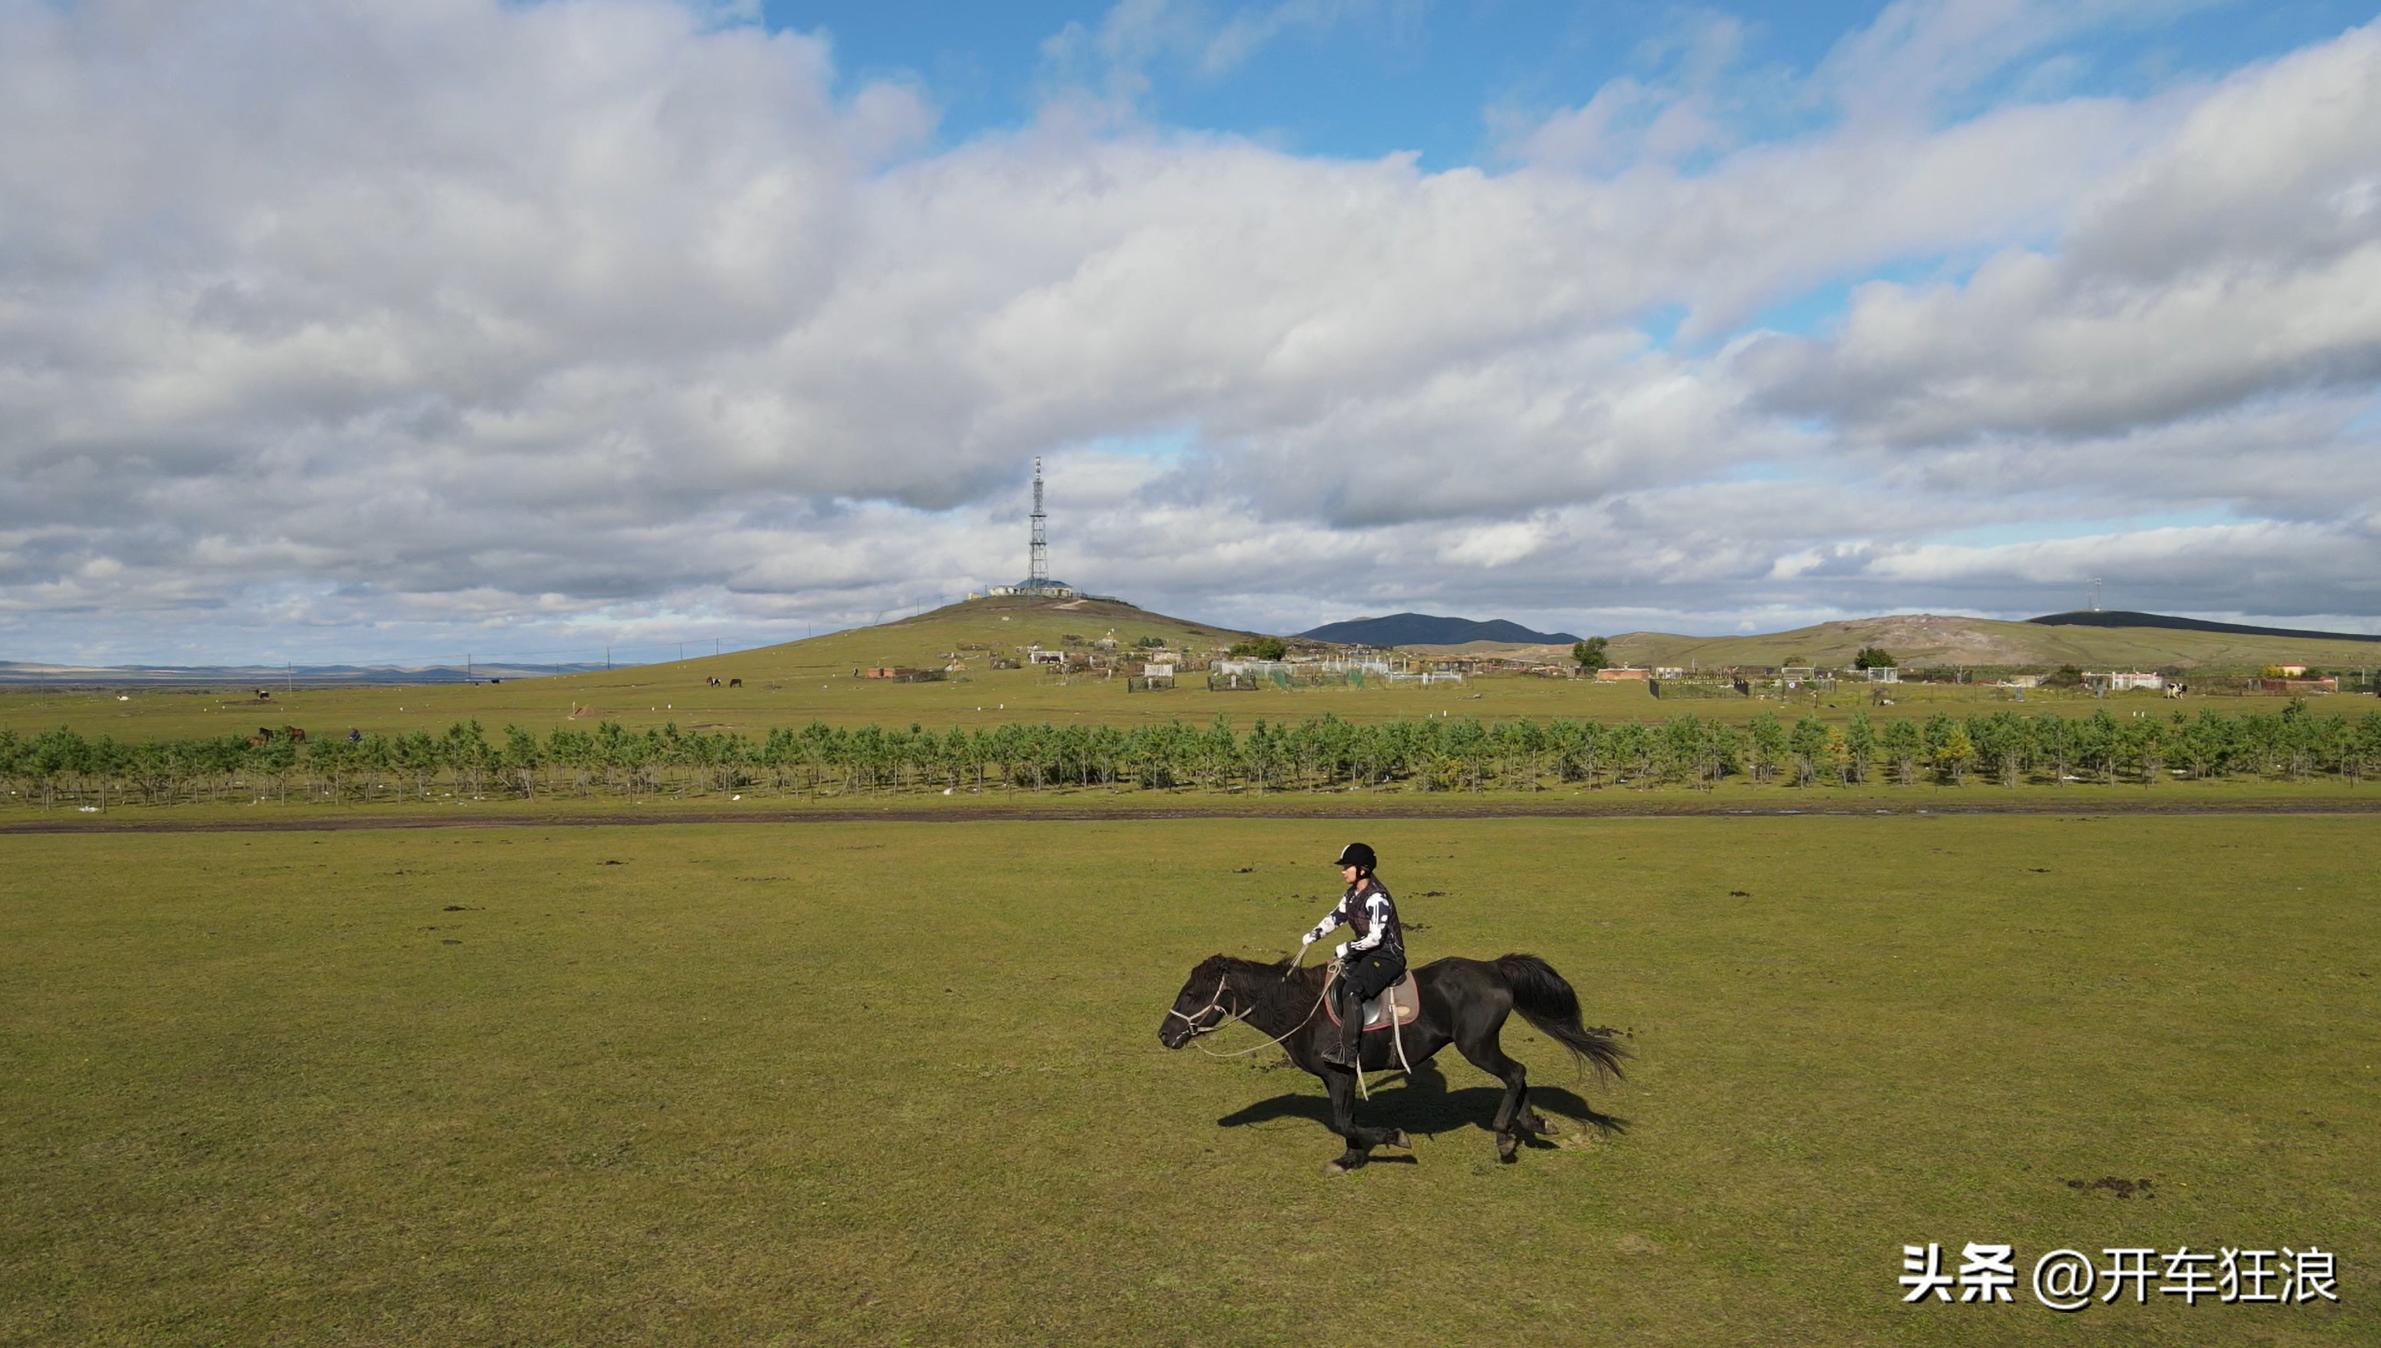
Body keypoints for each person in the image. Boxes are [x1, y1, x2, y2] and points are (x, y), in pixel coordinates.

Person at [1300, 842, 1406, 1068]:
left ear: (1363, 870)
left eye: (1348, 866)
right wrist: (1315, 934)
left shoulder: (1377, 898)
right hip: (1366, 953)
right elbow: (1336, 917)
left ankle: (1349, 1052)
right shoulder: (1351, 895)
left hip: (1387, 956)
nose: (1343, 870)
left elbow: (1376, 938)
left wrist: (1347, 948)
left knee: (1351, 991)